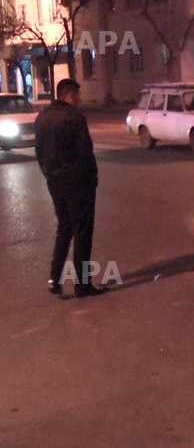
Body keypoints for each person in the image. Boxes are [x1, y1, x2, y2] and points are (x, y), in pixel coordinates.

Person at [35, 79, 108, 297]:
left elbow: (39, 151)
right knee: (82, 232)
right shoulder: (75, 118)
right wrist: (92, 177)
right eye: (78, 94)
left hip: (54, 181)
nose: (80, 98)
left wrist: (48, 174)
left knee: (64, 228)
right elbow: (85, 152)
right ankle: (82, 284)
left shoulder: (42, 117)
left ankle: (55, 280)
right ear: (69, 95)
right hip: (77, 183)